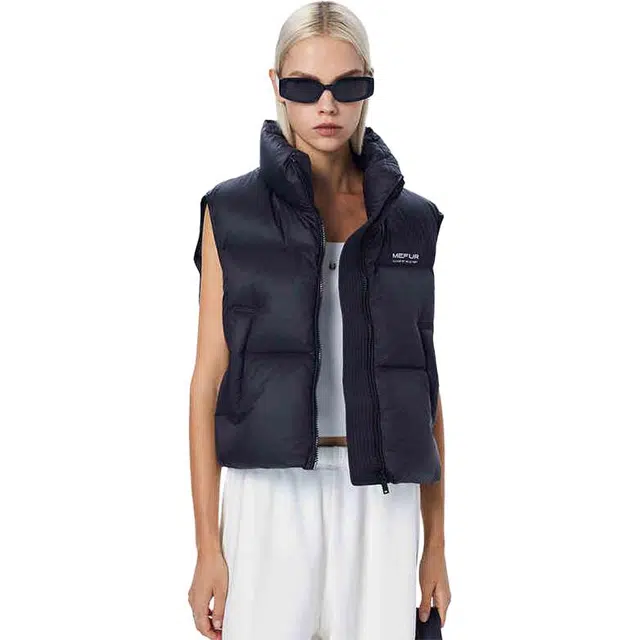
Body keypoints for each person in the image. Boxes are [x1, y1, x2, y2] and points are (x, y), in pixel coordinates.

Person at [187, 2, 451, 639]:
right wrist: (207, 547)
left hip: (383, 498)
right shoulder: (231, 211)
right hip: (270, 495)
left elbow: (425, 386)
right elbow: (207, 381)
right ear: (277, 85)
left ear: (369, 86)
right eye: (305, 87)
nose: (327, 105)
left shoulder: (412, 221)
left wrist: (436, 545)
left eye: (346, 85)